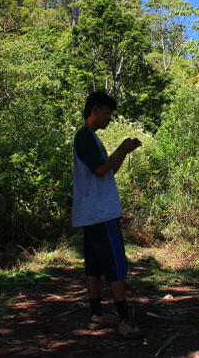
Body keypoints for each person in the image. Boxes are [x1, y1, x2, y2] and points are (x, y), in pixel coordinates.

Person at [72, 91, 143, 338]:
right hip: (101, 214)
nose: (109, 118)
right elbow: (102, 170)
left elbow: (110, 169)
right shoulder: (84, 136)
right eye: (107, 112)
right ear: (95, 111)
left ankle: (97, 315)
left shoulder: (90, 138)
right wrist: (122, 146)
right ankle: (124, 320)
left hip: (91, 214)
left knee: (94, 266)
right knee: (115, 265)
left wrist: (124, 150)